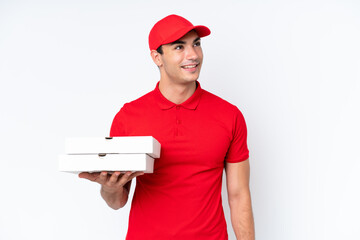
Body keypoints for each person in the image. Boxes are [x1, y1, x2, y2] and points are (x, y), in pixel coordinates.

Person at [79, 14, 255, 240]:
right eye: (179, 47)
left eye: (197, 44)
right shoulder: (129, 117)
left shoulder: (229, 115)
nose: (193, 55)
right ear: (157, 58)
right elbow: (118, 201)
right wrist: (110, 189)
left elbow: (239, 196)